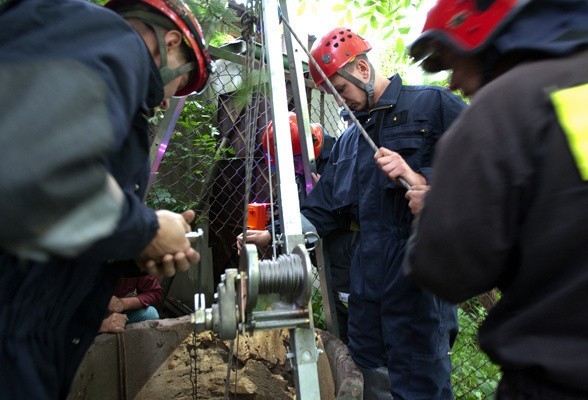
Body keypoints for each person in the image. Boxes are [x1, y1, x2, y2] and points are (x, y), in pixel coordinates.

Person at [0, 0, 212, 398]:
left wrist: (131, 252)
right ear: (168, 43)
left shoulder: (87, 55)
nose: (167, 101)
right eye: (178, 86)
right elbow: (36, 170)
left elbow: (55, 212)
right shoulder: (117, 41)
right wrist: (147, 229)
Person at [402, 0, 588, 398]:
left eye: (454, 62)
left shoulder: (504, 109)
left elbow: (444, 269)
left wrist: (430, 214)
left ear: (485, 39)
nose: (454, 83)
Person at [302, 27, 467, 399]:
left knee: (421, 380)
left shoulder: (433, 106)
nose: (341, 104)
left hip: (419, 280)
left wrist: (425, 183)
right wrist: (276, 232)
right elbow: (324, 204)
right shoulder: (349, 140)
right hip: (367, 282)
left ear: (361, 68)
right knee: (369, 376)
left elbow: (485, 166)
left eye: (341, 92)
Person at [243, 112, 357, 344]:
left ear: (310, 149)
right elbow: (301, 213)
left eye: (295, 162)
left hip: (349, 252)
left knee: (354, 310)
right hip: (326, 253)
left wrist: (273, 233)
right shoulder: (302, 168)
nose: (293, 169)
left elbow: (329, 213)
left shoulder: (340, 159)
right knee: (340, 310)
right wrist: (271, 229)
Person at [99, 274, 165, 333]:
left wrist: (124, 303)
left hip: (115, 315)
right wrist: (103, 325)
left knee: (151, 313)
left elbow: (156, 293)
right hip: (91, 322)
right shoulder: (92, 267)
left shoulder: (134, 264)